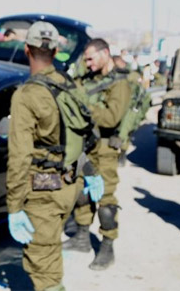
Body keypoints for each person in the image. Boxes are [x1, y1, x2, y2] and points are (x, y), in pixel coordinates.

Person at [6, 21, 103, 291]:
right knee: (49, 255)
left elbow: (19, 157)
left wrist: (14, 207)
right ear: (57, 50)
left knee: (43, 267)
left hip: (43, 191)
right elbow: (83, 136)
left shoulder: (26, 95)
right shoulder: (69, 84)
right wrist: (91, 171)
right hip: (70, 184)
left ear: (26, 49)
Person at [63, 39, 131, 271]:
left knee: (105, 202)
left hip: (104, 151)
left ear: (105, 54)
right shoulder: (88, 80)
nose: (88, 63)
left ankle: (107, 246)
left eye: (91, 58)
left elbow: (111, 118)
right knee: (81, 193)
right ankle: (82, 238)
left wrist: (82, 107)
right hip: (84, 147)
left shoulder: (119, 84)